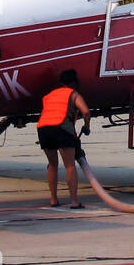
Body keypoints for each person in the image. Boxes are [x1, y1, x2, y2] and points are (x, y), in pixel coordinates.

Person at [36, 69, 91, 208]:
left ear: (61, 82)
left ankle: (53, 200)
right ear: (74, 83)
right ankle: (74, 201)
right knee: (70, 165)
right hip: (61, 128)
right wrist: (87, 126)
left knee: (52, 164)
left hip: (43, 128)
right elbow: (85, 112)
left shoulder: (49, 95)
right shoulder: (73, 94)